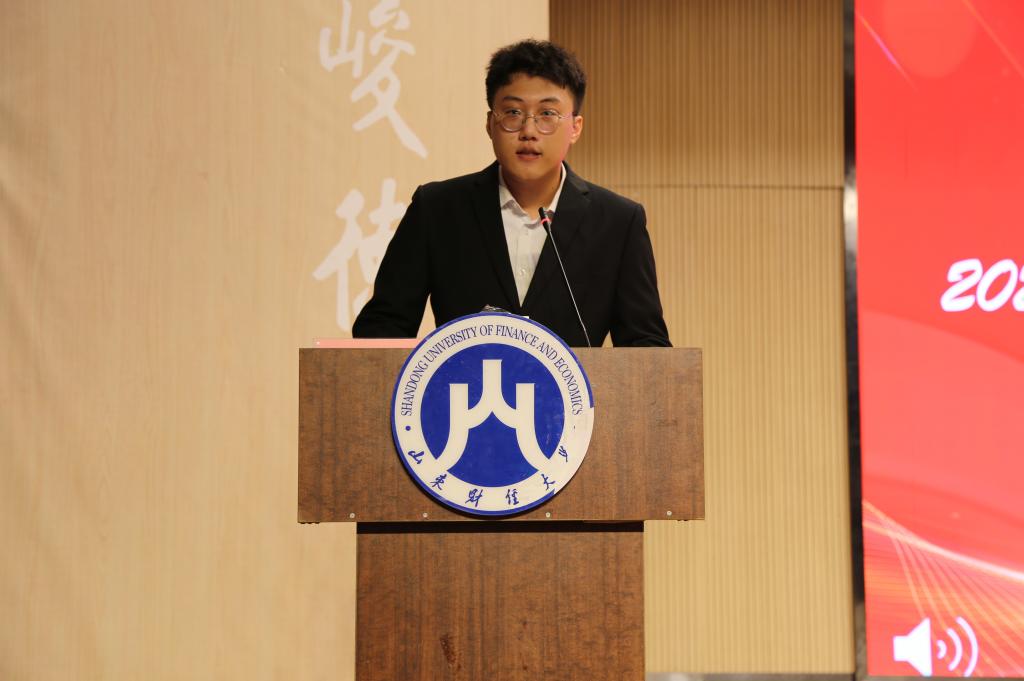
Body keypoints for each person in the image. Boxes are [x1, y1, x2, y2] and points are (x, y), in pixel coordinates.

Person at [352, 39, 671, 347]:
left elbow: (647, 345)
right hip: (461, 385)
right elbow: (382, 327)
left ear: (575, 127)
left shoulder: (617, 222)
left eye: (548, 114)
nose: (528, 131)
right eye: (513, 113)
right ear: (490, 124)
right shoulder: (437, 209)